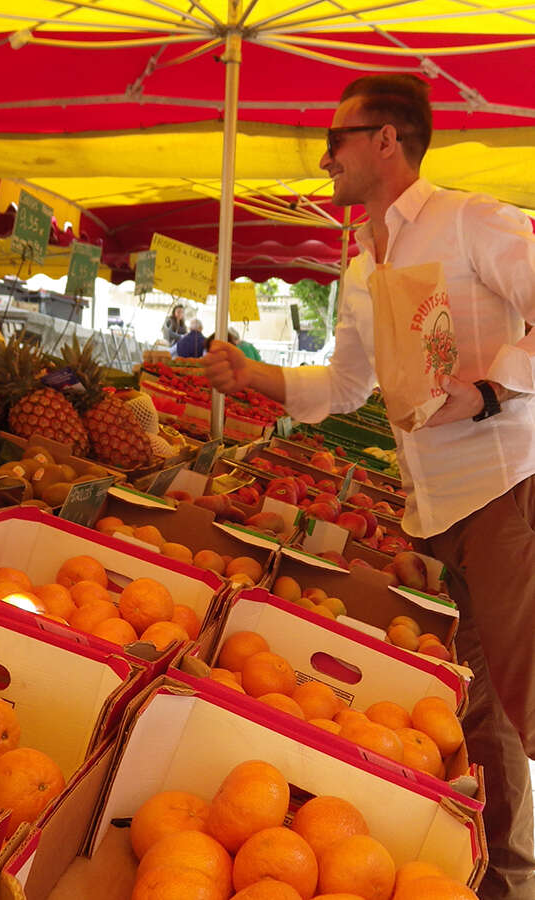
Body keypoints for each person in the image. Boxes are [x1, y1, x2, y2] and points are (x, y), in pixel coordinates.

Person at [205, 73, 535, 900]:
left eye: (337, 139)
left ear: (386, 140)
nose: (324, 158)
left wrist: (492, 386)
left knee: (529, 690)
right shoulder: (357, 269)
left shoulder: (471, 222)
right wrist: (253, 375)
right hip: (436, 512)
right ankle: (504, 876)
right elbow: (344, 391)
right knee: (482, 712)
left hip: (506, 489)